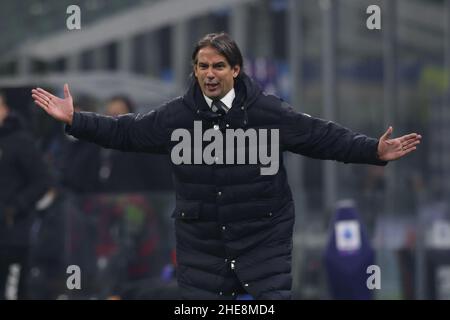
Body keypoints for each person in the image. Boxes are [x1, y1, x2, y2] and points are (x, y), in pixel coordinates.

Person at [31, 32, 421, 300]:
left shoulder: (267, 112)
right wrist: (76, 120)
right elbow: (126, 132)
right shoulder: (177, 116)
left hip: (262, 240)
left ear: (236, 70)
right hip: (203, 246)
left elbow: (320, 136)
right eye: (202, 66)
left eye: (218, 66)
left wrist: (373, 151)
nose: (209, 74)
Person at [0, 91, 52, 299]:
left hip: (12, 234)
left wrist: (14, 207)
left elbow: (41, 180)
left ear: (5, 109)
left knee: (15, 289)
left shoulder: (20, 141)